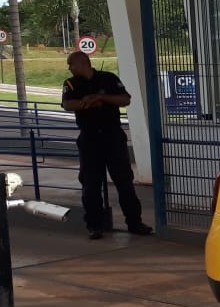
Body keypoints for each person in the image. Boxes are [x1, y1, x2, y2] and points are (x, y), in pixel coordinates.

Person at [61, 50, 153, 239]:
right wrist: (86, 103)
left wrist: (101, 98)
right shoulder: (71, 83)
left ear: (82, 63)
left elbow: (125, 99)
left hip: (112, 136)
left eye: (71, 64)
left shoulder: (108, 78)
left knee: (124, 181)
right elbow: (68, 104)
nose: (69, 68)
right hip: (89, 138)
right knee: (90, 184)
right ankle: (94, 225)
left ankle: (134, 222)